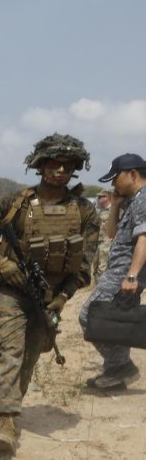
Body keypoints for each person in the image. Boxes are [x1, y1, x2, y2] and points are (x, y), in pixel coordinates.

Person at [0, 134, 99, 453]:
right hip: (13, 291)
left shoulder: (84, 211)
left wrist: (61, 299)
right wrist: (4, 265)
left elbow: (84, 267)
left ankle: (6, 407)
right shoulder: (14, 203)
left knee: (29, 355)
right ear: (40, 165)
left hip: (51, 295)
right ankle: (6, 419)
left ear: (75, 169)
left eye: (67, 166)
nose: (59, 171)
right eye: (53, 164)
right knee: (11, 351)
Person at [79, 153, 146, 389]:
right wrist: (116, 205)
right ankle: (116, 371)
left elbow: (144, 240)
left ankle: (121, 366)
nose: (112, 184)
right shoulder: (131, 200)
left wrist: (132, 276)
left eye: (115, 178)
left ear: (132, 174)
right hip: (118, 271)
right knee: (115, 320)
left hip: (124, 273)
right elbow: (110, 234)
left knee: (89, 315)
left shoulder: (144, 199)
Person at [93, 190, 114, 280]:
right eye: (98, 197)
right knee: (95, 264)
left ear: (107, 198)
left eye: (101, 197)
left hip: (107, 242)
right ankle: (96, 285)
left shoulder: (114, 210)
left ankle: (102, 286)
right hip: (98, 240)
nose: (99, 199)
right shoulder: (99, 210)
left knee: (103, 266)